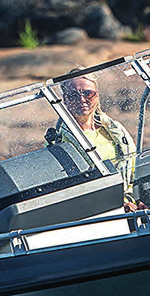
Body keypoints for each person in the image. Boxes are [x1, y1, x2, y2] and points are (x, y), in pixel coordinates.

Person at [48, 71, 144, 212]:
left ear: (97, 95)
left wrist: (138, 201)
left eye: (88, 93)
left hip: (129, 204)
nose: (82, 100)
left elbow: (133, 172)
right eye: (73, 95)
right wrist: (114, 206)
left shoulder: (116, 130)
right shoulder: (57, 142)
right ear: (65, 100)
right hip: (94, 212)